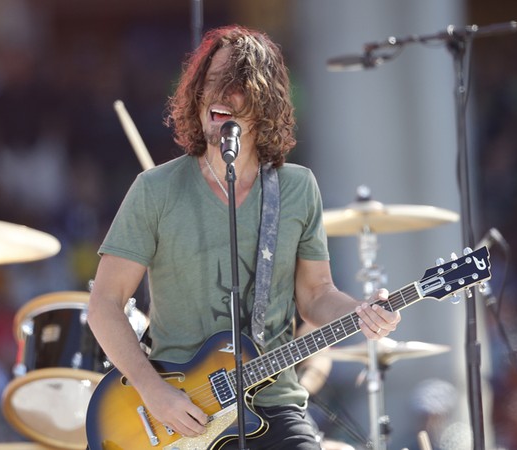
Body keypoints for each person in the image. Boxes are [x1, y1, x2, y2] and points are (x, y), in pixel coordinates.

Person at [87, 24, 401, 450]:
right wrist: (152, 390)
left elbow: (315, 296)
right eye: (209, 82)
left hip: (273, 404)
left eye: (234, 86)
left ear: (262, 103)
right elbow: (104, 303)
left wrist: (362, 312)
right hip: (180, 409)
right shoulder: (155, 189)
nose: (218, 95)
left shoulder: (296, 187)